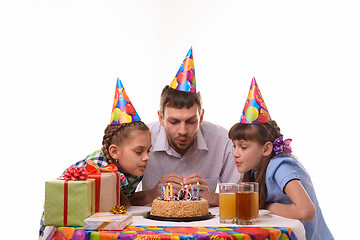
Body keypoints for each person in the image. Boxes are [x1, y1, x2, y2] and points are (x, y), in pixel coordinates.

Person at [39, 79, 151, 239]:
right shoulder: (95, 166)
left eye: (148, 150)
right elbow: (56, 202)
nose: (146, 157)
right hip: (65, 229)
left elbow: (122, 203)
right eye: (139, 151)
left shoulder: (133, 170)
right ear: (114, 152)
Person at [130, 48, 240, 207]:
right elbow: (118, 199)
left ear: (201, 117)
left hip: (207, 228)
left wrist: (212, 197)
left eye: (190, 121)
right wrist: (152, 194)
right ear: (161, 118)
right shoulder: (141, 140)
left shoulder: (223, 141)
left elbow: (245, 197)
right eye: (174, 122)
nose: (183, 131)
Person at [228, 77, 333, 240]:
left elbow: (306, 212)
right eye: (234, 146)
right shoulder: (252, 170)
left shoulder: (280, 166)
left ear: (267, 148)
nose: (235, 153)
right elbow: (235, 200)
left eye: (243, 147)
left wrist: (267, 206)